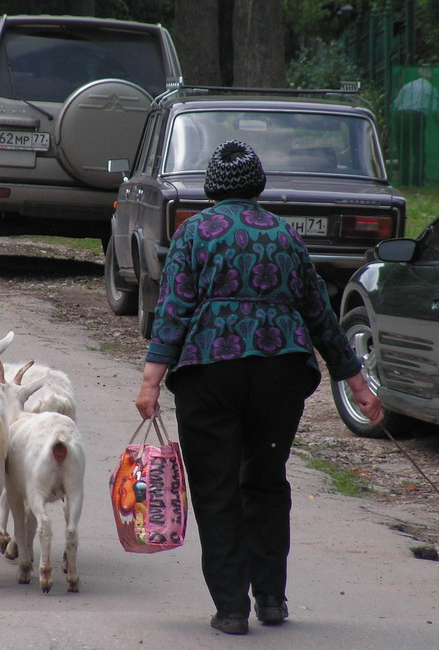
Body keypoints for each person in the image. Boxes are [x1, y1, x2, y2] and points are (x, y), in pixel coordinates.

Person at [134, 140, 383, 636]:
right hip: (280, 371)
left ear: (212, 187)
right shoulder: (284, 236)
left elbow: (173, 311)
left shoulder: (193, 233)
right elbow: (319, 315)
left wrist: (150, 381)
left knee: (216, 488)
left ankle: (231, 608)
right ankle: (270, 597)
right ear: (258, 185)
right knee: (266, 481)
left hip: (210, 371)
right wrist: (357, 383)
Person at [392, 66, 439, 186]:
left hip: (401, 116)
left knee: (403, 150)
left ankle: (403, 180)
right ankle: (417, 180)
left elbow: (395, 104)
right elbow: (434, 108)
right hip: (417, 117)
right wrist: (437, 120)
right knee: (418, 150)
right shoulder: (430, 88)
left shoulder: (408, 85)